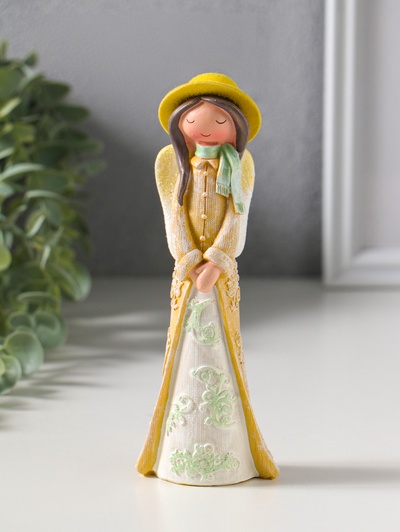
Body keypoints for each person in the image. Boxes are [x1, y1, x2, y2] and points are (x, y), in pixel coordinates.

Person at [136, 73, 279, 485]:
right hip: (188, 277)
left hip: (218, 278)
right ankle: (178, 450)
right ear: (180, 125)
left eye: (220, 121)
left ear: (236, 128)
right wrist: (189, 259)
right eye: (194, 120)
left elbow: (236, 218)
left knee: (221, 348)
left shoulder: (238, 167)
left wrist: (215, 261)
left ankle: (229, 452)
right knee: (184, 348)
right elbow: (174, 215)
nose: (206, 129)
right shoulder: (174, 165)